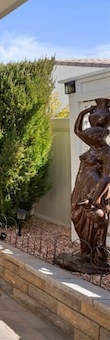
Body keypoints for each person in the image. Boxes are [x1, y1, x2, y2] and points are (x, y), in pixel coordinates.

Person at [70, 102, 110, 266]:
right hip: (81, 186)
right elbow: (78, 130)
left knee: (93, 223)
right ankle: (85, 252)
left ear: (99, 138)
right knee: (76, 216)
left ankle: (95, 256)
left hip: (93, 191)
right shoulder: (93, 146)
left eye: (91, 137)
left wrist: (94, 199)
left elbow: (107, 178)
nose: (87, 138)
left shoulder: (106, 153)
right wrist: (85, 112)